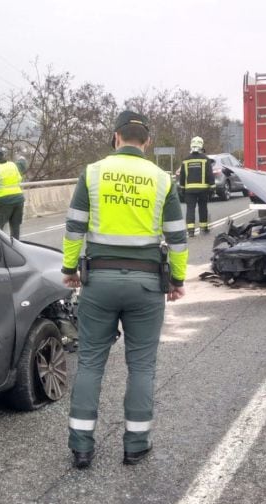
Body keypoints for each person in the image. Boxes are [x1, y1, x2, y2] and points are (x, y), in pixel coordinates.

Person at [61, 110, 188, 469]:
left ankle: (81, 447)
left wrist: (70, 269)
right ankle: (135, 445)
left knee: (89, 363)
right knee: (142, 367)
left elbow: (73, 229)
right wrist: (177, 280)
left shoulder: (93, 173)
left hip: (99, 282)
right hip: (146, 284)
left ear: (115, 138)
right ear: (146, 142)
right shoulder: (162, 179)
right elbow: (177, 237)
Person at [0, 148, 27, 238]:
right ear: (4, 156)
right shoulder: (12, 165)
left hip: (4, 202)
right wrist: (22, 158)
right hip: (18, 200)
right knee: (15, 227)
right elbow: (22, 165)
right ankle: (16, 246)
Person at [178, 136, 215, 236]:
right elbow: (210, 175)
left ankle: (190, 231)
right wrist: (212, 188)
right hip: (203, 190)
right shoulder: (205, 159)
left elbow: (182, 176)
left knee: (190, 209)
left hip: (189, 190)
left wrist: (182, 188)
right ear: (201, 146)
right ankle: (204, 227)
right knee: (203, 208)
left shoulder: (185, 160)